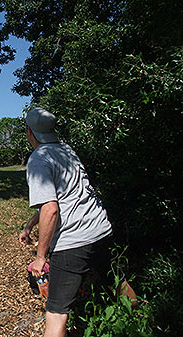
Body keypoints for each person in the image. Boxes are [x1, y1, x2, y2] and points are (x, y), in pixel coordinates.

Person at [19, 107, 138, 337]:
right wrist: (30, 225)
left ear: (29, 133)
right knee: (118, 282)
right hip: (100, 229)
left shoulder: (38, 159)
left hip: (73, 242)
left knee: (55, 313)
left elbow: (51, 209)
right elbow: (64, 198)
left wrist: (40, 257)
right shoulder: (67, 151)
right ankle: (140, 323)